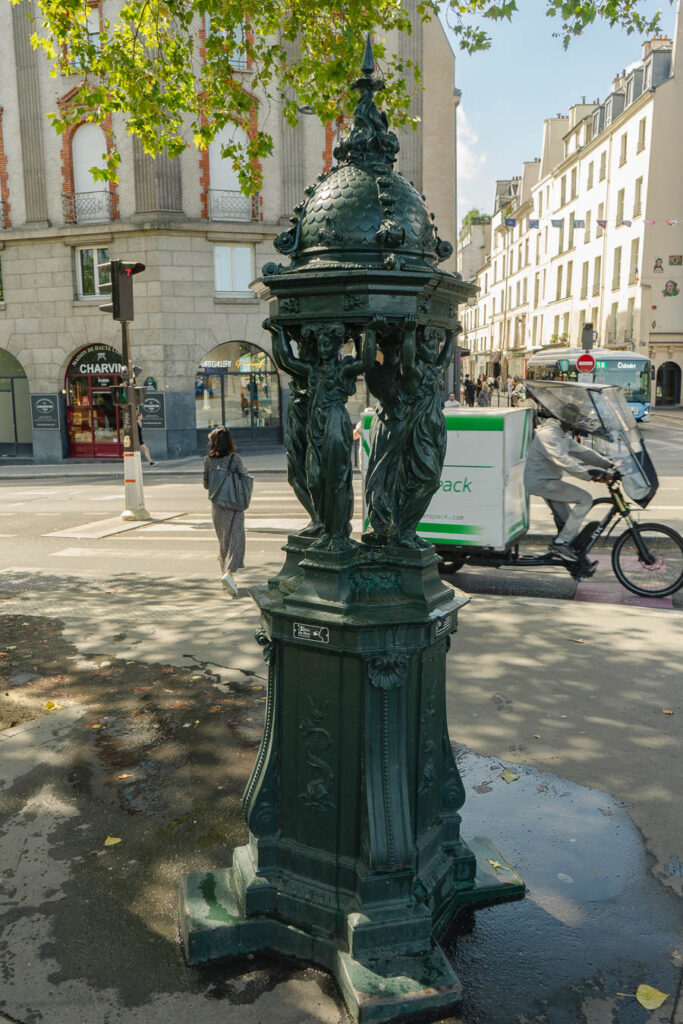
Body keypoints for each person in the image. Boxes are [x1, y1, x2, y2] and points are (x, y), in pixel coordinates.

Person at [524, 410, 615, 563]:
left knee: (569, 526)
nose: (574, 427)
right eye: (573, 423)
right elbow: (564, 461)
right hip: (541, 482)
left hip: (550, 481)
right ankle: (560, 544)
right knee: (585, 499)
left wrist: (609, 464)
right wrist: (590, 476)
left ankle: (571, 558)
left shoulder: (561, 434)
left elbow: (583, 452)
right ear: (563, 419)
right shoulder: (548, 435)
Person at [203, 426, 247, 596]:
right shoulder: (235, 459)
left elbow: (206, 484)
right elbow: (244, 478)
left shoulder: (208, 460)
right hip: (234, 505)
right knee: (236, 539)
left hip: (217, 507)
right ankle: (228, 574)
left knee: (223, 541)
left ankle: (224, 575)